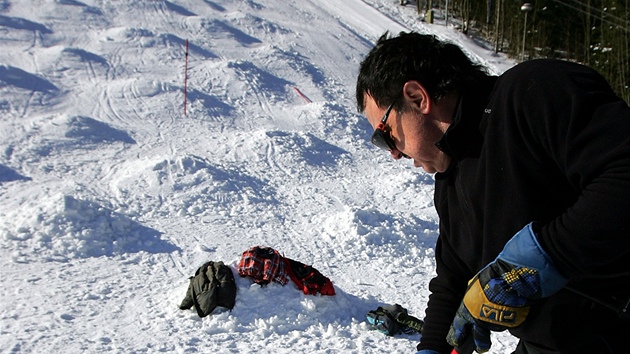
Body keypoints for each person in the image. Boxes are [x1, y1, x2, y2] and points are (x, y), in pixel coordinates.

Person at [355, 31, 630, 354]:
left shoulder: (531, 93)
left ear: (417, 98)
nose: (394, 153)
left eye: (385, 135)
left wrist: (547, 253)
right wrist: (432, 348)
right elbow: (453, 281)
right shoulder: (451, 180)